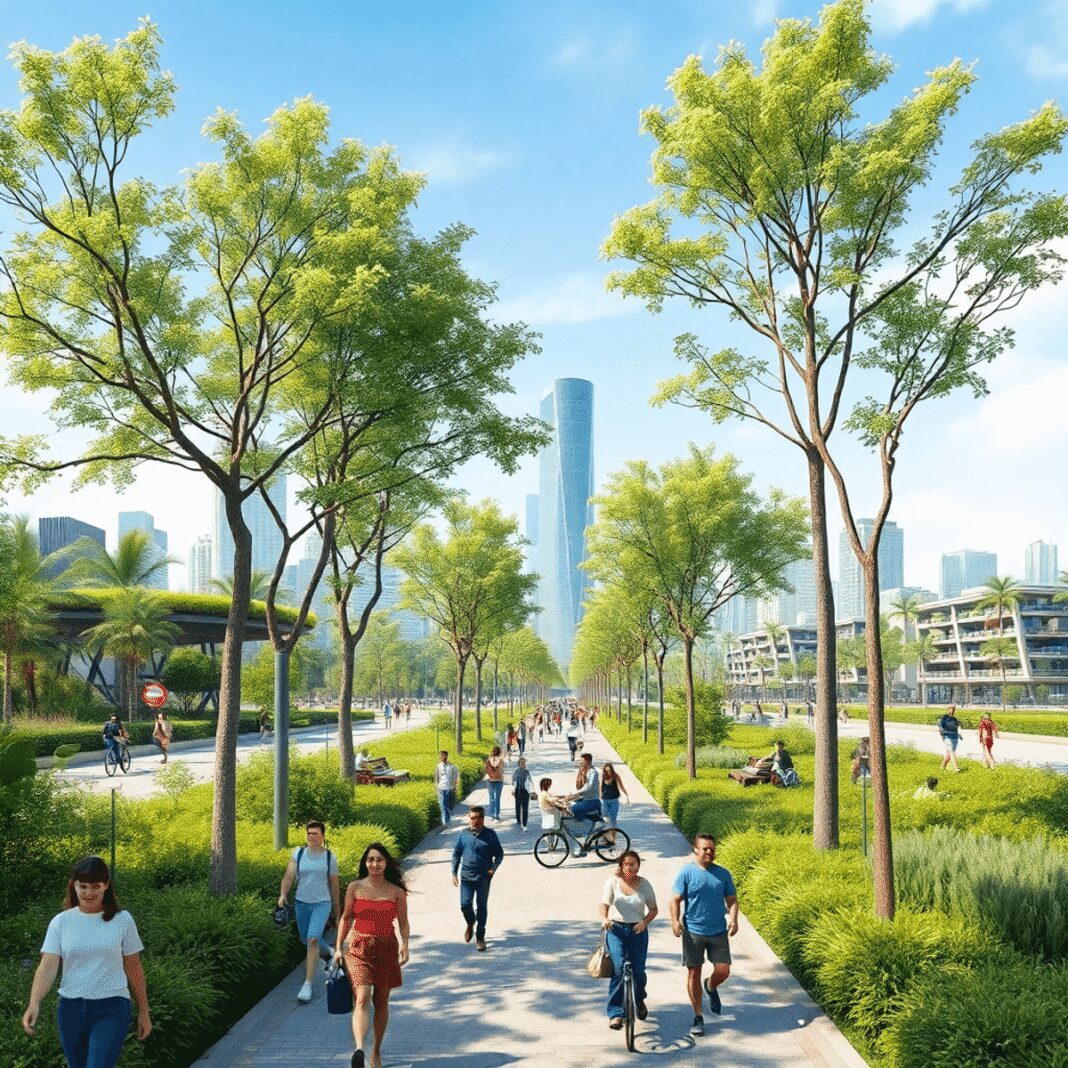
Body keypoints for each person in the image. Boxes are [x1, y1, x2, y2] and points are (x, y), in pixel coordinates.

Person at [22, 855, 151, 1068]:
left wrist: (144, 1011)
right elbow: (47, 966)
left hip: (112, 1007)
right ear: (74, 885)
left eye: (95, 886)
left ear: (106, 885)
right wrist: (34, 1003)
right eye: (83, 886)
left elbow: (134, 967)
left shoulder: (122, 920)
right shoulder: (61, 923)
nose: (89, 893)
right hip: (71, 1009)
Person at [334, 842, 410, 1068]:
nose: (374, 864)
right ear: (365, 863)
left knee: (381, 1002)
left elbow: (403, 922)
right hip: (359, 948)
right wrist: (338, 947)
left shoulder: (396, 892)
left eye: (379, 860)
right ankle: (359, 1048)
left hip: (386, 948)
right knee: (362, 996)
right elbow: (346, 918)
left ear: (386, 863)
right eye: (370, 860)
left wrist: (405, 944)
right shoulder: (355, 887)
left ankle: (375, 1052)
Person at [670, 834, 738, 1039]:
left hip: (718, 930)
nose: (709, 851)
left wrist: (734, 920)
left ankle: (711, 985)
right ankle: (698, 1016)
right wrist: (675, 921)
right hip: (693, 931)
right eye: (705, 848)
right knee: (694, 972)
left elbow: (732, 900)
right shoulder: (687, 872)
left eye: (712, 848)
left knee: (723, 971)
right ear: (696, 850)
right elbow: (675, 899)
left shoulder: (723, 874)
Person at [277, 820, 340, 1003]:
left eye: (315, 834)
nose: (311, 837)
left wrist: (337, 909)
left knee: (312, 939)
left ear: (322, 836)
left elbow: (334, 885)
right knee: (306, 938)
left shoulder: (329, 857)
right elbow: (288, 876)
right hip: (301, 903)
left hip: (322, 904)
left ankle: (308, 984)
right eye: (309, 833)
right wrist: (283, 894)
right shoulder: (298, 853)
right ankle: (328, 952)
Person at [600, 850, 658, 1029]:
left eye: (634, 864)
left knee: (639, 971)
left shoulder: (645, 884)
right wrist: (604, 918)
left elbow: (653, 909)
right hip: (616, 930)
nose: (631, 867)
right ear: (621, 866)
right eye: (627, 864)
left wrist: (644, 922)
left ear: (639, 865)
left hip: (638, 932)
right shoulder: (613, 882)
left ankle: (639, 1000)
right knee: (619, 968)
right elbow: (604, 904)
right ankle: (616, 1013)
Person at [451, 807, 503, 951]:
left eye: (477, 818)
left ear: (482, 819)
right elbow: (456, 854)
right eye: (472, 818)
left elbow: (499, 854)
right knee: (465, 905)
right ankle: (470, 922)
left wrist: (493, 869)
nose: (474, 821)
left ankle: (480, 937)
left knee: (481, 906)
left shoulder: (490, 835)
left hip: (483, 878)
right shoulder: (463, 834)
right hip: (466, 877)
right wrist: (454, 873)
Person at [567, 753, 601, 828]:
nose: (580, 763)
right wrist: (572, 796)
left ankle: (586, 826)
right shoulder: (587, 771)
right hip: (585, 799)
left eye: (582, 761)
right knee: (569, 806)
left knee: (573, 809)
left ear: (587, 761)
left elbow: (588, 787)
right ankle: (589, 822)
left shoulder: (593, 772)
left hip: (592, 801)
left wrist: (576, 793)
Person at [599, 762, 630, 840]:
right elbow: (600, 788)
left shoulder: (616, 776)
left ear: (611, 768)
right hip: (604, 801)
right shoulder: (603, 776)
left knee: (612, 820)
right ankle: (606, 835)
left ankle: (613, 838)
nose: (608, 770)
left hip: (614, 801)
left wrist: (626, 795)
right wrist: (598, 798)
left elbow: (621, 786)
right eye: (606, 768)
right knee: (603, 818)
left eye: (609, 768)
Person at [435, 750, 459, 828]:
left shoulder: (452, 766)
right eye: (440, 756)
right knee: (443, 805)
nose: (441, 757)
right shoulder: (438, 766)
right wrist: (437, 786)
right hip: (441, 787)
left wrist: (454, 786)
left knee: (449, 805)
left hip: (450, 787)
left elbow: (455, 777)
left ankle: (448, 819)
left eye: (443, 755)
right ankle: (445, 822)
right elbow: (437, 777)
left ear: (446, 756)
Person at [511, 756, 535, 830]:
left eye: (524, 763)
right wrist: (513, 790)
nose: (523, 764)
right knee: (518, 806)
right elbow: (513, 782)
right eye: (521, 763)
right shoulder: (516, 772)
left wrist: (533, 790)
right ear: (518, 764)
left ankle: (524, 824)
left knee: (525, 808)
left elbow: (531, 781)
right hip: (518, 791)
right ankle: (518, 819)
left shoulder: (527, 772)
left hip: (525, 791)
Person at [938, 704, 963, 772]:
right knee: (952, 752)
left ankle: (942, 767)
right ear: (948, 709)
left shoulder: (955, 719)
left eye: (953, 709)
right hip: (948, 737)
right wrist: (942, 736)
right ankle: (956, 768)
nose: (952, 710)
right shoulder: (944, 717)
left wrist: (959, 735)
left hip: (955, 737)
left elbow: (958, 727)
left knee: (949, 754)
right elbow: (940, 727)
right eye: (951, 709)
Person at [484, 745, 506, 821]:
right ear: (499, 752)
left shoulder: (488, 760)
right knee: (497, 798)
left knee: (491, 797)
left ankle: (492, 814)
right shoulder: (501, 760)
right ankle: (497, 815)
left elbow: (485, 770)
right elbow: (502, 770)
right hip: (499, 780)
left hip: (489, 780)